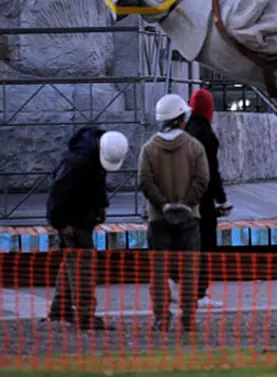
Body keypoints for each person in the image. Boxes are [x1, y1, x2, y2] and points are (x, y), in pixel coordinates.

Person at [44, 128, 129, 331]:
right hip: (72, 220)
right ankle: (85, 316)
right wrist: (60, 224)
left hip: (81, 218)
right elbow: (57, 193)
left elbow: (97, 185)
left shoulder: (93, 155)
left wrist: (101, 206)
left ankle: (60, 309)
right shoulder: (77, 162)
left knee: (72, 262)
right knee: (84, 267)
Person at [139, 93, 209, 333]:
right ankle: (187, 318)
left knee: (159, 272)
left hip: (158, 220)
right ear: (181, 118)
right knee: (189, 271)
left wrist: (164, 205)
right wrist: (186, 204)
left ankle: (161, 318)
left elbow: (145, 181)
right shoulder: (195, 147)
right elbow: (202, 179)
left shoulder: (149, 149)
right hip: (189, 219)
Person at [183, 88, 231, 308]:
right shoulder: (206, 135)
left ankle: (185, 290)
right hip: (203, 200)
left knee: (188, 246)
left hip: (184, 197)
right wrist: (221, 199)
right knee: (206, 246)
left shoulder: (185, 131)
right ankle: (199, 293)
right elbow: (211, 171)